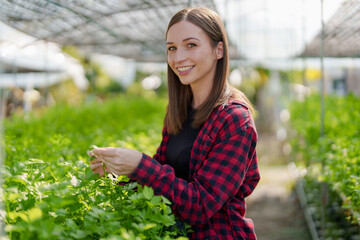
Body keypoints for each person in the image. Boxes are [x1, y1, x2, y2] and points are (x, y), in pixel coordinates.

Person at [89, 7, 260, 239]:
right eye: (172, 48)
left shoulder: (234, 120)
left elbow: (200, 205)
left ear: (218, 50)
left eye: (191, 45)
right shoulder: (178, 110)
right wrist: (118, 173)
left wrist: (139, 164)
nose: (179, 58)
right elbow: (162, 179)